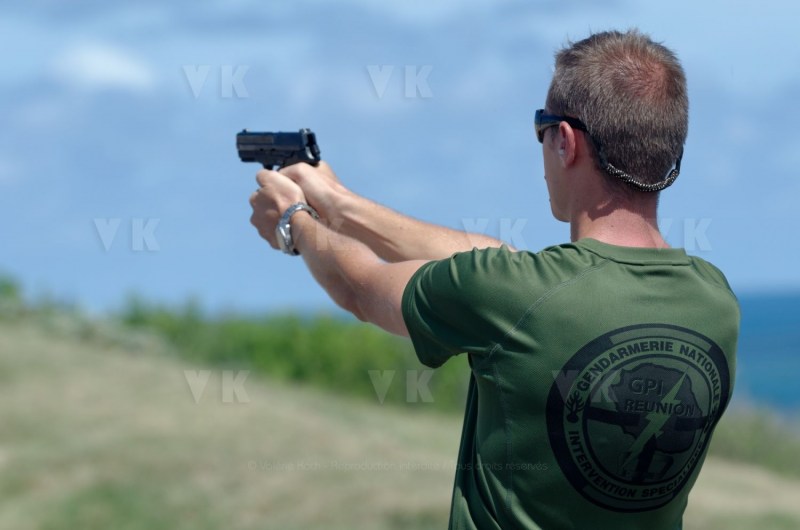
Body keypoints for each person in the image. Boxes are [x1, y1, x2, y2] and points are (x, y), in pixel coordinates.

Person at [249, 29, 739, 530]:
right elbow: (509, 270)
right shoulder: (717, 302)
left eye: (541, 127)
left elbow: (360, 287)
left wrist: (295, 223)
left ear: (565, 141)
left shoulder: (517, 296)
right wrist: (338, 204)